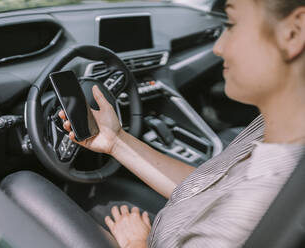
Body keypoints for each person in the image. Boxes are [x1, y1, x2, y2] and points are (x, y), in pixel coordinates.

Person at [59, 0, 305, 247]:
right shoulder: (273, 129)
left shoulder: (250, 210)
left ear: (293, 33)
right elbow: (205, 188)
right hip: (173, 221)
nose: (219, 47)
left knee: (24, 188)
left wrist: (136, 242)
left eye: (231, 24)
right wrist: (116, 141)